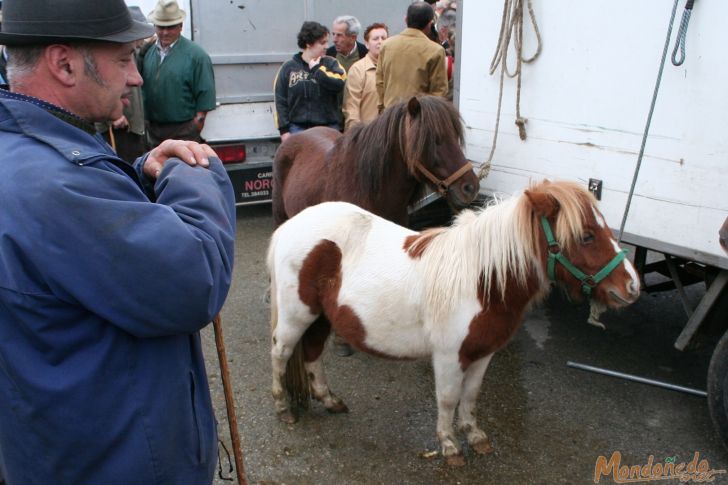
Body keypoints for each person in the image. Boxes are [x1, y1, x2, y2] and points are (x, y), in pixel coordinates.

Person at [0, 0, 236, 483]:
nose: (137, 78)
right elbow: (195, 278)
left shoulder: (22, 155)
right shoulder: (59, 188)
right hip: (119, 462)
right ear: (64, 64)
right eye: (125, 58)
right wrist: (187, 172)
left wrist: (137, 172)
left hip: (54, 451)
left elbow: (76, 231)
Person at [139, 0, 216, 147]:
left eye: (170, 27)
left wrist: (194, 128)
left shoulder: (197, 56)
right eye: (161, 27)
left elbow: (205, 97)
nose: (165, 32)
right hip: (153, 132)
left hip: (184, 132)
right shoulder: (147, 52)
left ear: (180, 26)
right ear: (155, 26)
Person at [274, 21, 346, 143]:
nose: (327, 46)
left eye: (327, 42)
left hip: (328, 128)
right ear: (308, 43)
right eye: (322, 43)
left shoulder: (332, 63)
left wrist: (317, 69)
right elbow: (280, 101)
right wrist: (284, 131)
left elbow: (339, 84)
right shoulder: (288, 67)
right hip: (297, 129)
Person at [95, 6, 149, 163]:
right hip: (118, 126)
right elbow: (96, 87)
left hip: (133, 126)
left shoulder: (134, 52)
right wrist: (113, 117)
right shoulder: (111, 54)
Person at [376, 1, 448, 111]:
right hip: (418, 117)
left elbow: (380, 83)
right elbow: (439, 92)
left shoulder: (386, 45)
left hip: (390, 116)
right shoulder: (436, 51)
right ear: (430, 23)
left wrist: (382, 110)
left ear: (406, 19)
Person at [342, 23, 388, 130]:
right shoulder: (358, 69)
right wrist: (355, 137)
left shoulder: (394, 68)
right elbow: (351, 109)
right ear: (367, 44)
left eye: (384, 38)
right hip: (366, 136)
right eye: (375, 39)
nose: (380, 42)